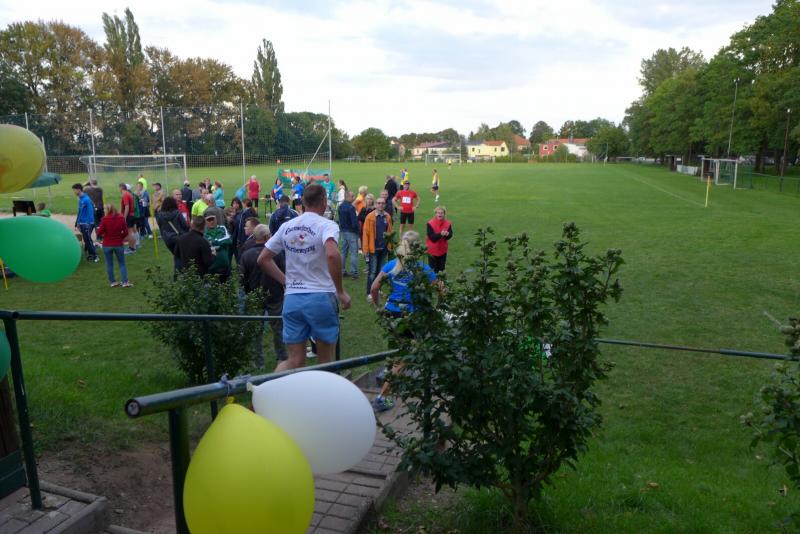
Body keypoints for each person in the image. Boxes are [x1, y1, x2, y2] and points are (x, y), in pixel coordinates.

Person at [257, 184, 352, 372]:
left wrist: (286, 281)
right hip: (321, 297)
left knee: (294, 361)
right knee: (325, 361)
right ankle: (321, 394)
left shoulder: (287, 226)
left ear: (302, 201)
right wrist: (340, 292)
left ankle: (266, 388)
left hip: (292, 299)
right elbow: (332, 254)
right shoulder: (327, 225)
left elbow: (263, 259)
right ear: (324, 201)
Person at [369, 231, 437, 411]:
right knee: (404, 358)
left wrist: (378, 306)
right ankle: (382, 397)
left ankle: (388, 373)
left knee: (398, 348)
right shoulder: (423, 268)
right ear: (418, 247)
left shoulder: (392, 264)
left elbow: (374, 287)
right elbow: (440, 288)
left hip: (391, 313)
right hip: (410, 316)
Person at [240, 224, 287, 367]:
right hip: (275, 295)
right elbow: (284, 272)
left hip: (254, 295)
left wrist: (248, 291)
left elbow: (241, 279)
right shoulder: (276, 253)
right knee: (278, 328)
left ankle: (258, 361)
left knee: (256, 330)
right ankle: (281, 357)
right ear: (267, 237)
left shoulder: (246, 255)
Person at [363, 194, 392, 300]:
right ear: (375, 204)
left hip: (383, 249)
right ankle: (370, 292)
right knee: (372, 272)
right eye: (379, 203)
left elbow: (390, 232)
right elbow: (365, 234)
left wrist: (390, 246)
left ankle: (377, 289)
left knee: (381, 272)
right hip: (373, 249)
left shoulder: (387, 217)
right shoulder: (370, 217)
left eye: (382, 203)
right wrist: (365, 249)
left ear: (385, 205)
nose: (380, 205)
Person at [96, 204, 131, 287]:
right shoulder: (121, 218)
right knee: (122, 263)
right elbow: (126, 232)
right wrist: (120, 237)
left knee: (109, 264)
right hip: (118, 243)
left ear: (108, 210)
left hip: (107, 244)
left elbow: (98, 233)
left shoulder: (104, 219)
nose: (104, 210)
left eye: (105, 209)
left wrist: (104, 235)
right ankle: (125, 282)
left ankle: (113, 282)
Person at [156, 196, 190, 272]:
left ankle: (178, 274)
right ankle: (181, 273)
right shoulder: (177, 213)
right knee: (180, 257)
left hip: (167, 239)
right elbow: (185, 226)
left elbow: (160, 227)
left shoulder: (160, 215)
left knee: (177, 256)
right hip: (179, 237)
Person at [72, 183, 98, 262]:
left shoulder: (86, 200)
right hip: (82, 223)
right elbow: (80, 212)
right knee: (86, 239)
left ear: (79, 190)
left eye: (74, 190)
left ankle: (95, 256)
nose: (74, 192)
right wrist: (77, 223)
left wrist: (87, 223)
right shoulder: (81, 199)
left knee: (88, 239)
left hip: (87, 223)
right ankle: (90, 254)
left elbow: (90, 212)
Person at [204, 214, 232, 282]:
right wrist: (221, 244)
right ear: (205, 222)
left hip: (223, 265)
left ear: (216, 220)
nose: (211, 221)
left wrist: (213, 242)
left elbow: (229, 240)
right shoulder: (204, 232)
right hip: (211, 267)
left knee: (226, 286)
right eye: (209, 220)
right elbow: (205, 245)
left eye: (213, 219)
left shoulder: (222, 228)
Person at [338, 191, 359, 279]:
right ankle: (354, 273)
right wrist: (357, 231)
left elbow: (340, 219)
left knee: (343, 252)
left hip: (343, 231)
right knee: (354, 253)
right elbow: (354, 222)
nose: (354, 198)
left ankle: (342, 271)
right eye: (352, 196)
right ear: (348, 197)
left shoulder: (340, 206)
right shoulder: (351, 207)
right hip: (351, 232)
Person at [426, 206, 453, 273]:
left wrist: (447, 235)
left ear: (444, 214)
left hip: (442, 250)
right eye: (438, 213)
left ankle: (440, 279)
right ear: (435, 214)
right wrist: (441, 234)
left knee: (441, 268)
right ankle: (433, 280)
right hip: (432, 250)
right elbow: (432, 238)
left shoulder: (448, 223)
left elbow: (450, 235)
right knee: (432, 270)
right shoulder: (430, 223)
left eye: (442, 213)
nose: (440, 214)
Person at [119, 183, 138, 254]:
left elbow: (127, 206)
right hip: (132, 215)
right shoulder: (129, 194)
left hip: (128, 216)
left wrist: (124, 217)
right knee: (132, 232)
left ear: (121, 188)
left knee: (129, 233)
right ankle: (133, 247)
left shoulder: (125, 195)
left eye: (119, 188)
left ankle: (132, 248)